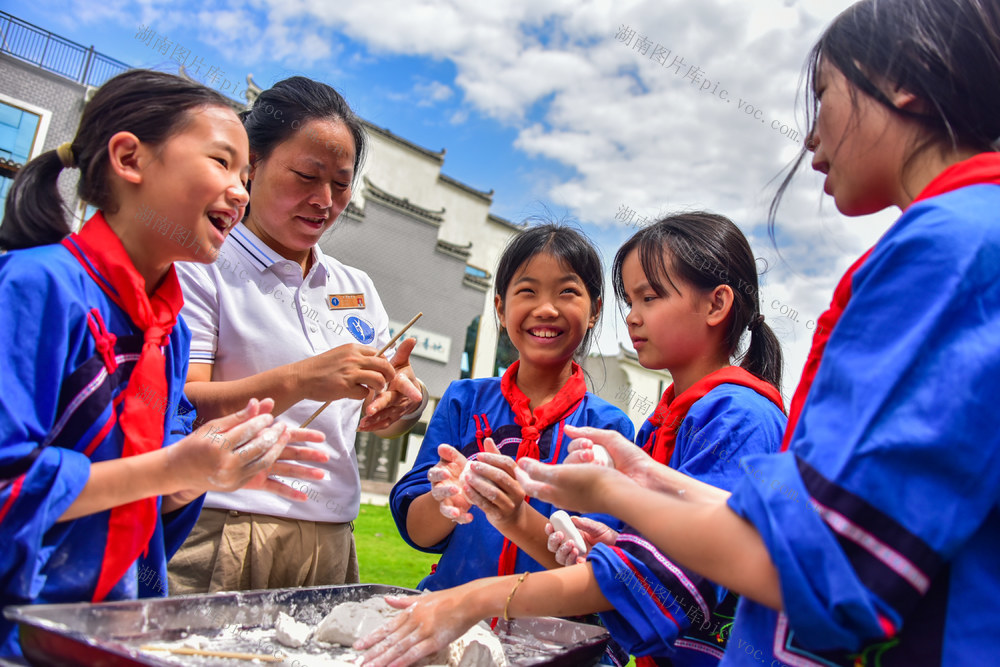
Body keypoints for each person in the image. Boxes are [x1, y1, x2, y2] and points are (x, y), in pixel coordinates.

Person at [512, 1, 1000, 665]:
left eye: (824, 94)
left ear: (901, 77)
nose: (810, 139)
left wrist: (612, 491)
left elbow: (823, 556)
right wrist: (649, 480)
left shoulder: (954, 246)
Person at [0, 70, 326, 659]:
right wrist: (169, 467)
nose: (241, 192)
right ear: (130, 158)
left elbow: (152, 498)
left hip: (104, 630)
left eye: (245, 176)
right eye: (222, 163)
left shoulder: (168, 326)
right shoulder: (38, 285)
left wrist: (202, 472)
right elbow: (7, 484)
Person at [370, 215, 786, 667]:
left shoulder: (721, 420)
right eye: (632, 299)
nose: (634, 316)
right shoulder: (659, 425)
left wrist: (473, 598)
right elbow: (635, 558)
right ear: (499, 305)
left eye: (649, 296)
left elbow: (656, 576)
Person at [167, 76, 427, 594]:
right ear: (253, 165)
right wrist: (304, 378)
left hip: (330, 538)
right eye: (307, 176)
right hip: (224, 525)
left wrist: (403, 405)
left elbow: (379, 421)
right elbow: (181, 403)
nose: (324, 201)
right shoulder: (201, 264)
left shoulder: (356, 286)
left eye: (341, 183)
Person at [389, 224, 634, 594]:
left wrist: (514, 515)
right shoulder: (462, 402)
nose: (546, 309)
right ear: (501, 309)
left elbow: (592, 569)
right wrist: (450, 499)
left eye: (567, 292)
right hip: (453, 619)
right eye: (527, 291)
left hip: (554, 635)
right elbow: (418, 533)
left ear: (595, 310)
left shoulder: (608, 430)